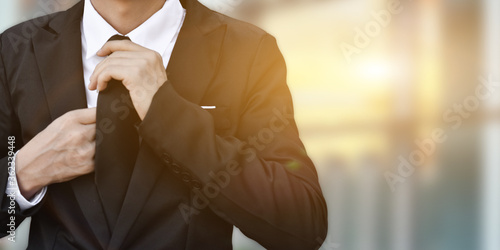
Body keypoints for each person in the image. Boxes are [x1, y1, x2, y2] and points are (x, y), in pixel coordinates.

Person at [0, 0, 328, 249]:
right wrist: (23, 174)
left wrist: (168, 113)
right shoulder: (14, 50)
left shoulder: (249, 51)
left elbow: (302, 225)